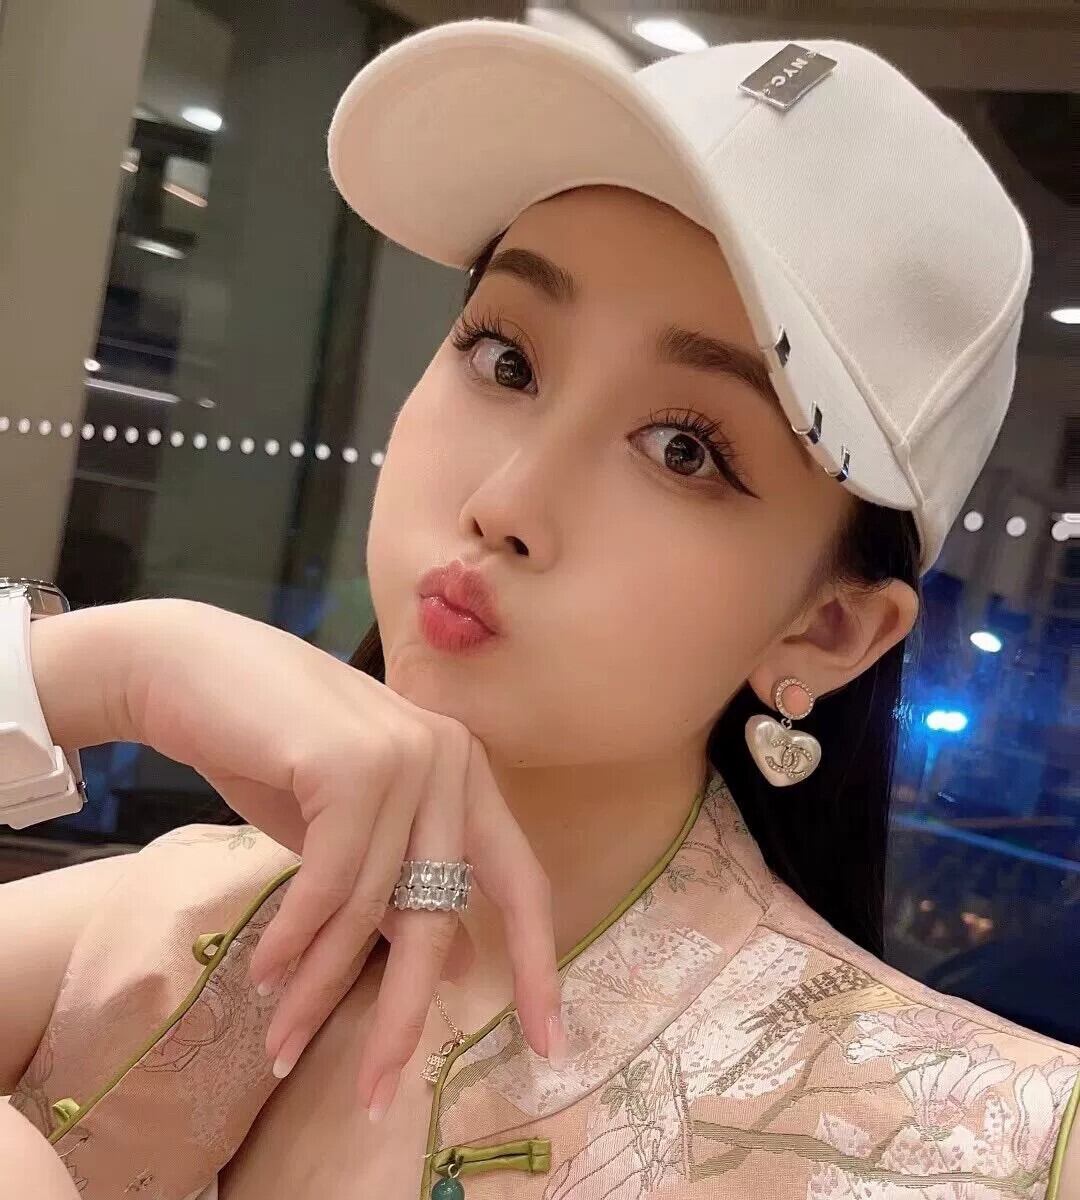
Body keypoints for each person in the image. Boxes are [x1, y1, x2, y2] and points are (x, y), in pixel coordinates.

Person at [1, 19, 1076, 1200]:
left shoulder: (989, 1143)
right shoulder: (169, 922)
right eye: (507, 359)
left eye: (684, 449)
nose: (505, 502)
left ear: (826, 631)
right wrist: (98, 671)